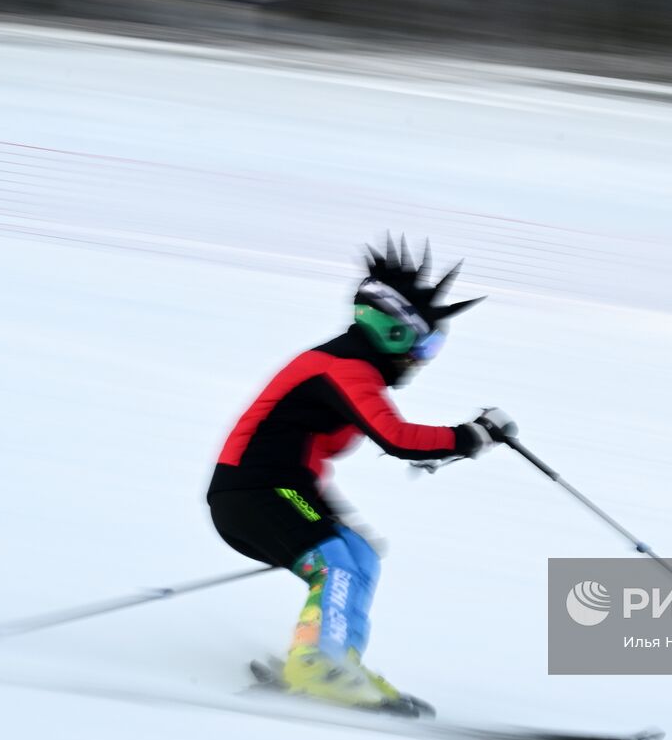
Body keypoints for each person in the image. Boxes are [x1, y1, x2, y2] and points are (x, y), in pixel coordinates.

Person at [208, 235, 516, 712]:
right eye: (427, 342)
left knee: (360, 556)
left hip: (277, 489)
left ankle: (335, 661)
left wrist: (461, 442)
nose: (424, 357)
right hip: (254, 492)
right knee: (336, 562)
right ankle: (315, 665)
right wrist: (470, 437)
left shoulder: (351, 366)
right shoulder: (344, 367)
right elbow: (395, 437)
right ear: (396, 329)